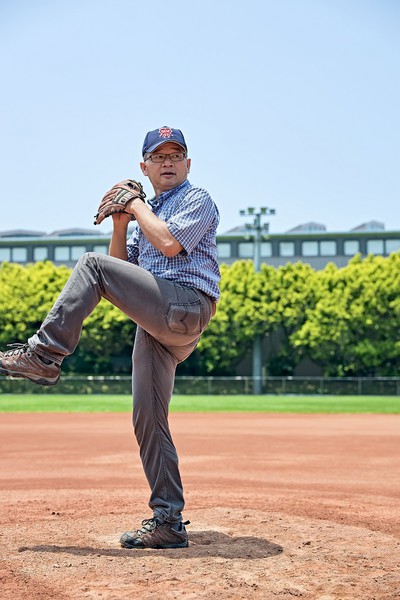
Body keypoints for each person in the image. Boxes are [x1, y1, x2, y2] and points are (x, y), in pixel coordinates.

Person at [0, 126, 221, 549]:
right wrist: (121, 223)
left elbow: (171, 245)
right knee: (147, 417)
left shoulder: (197, 199)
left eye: (176, 155)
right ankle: (168, 522)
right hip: (158, 323)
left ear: (188, 164)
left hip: (188, 305)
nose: (169, 162)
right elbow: (122, 275)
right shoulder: (143, 217)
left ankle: (44, 355)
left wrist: (135, 204)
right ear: (145, 166)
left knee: (90, 264)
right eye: (159, 157)